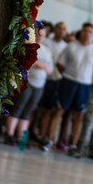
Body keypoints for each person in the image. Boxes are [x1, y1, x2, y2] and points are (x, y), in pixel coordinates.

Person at [49, 22, 93, 157]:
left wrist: (85, 78)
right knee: (59, 111)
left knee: (79, 116)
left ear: (92, 34)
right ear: (81, 32)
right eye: (85, 31)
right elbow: (60, 64)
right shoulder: (71, 46)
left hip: (84, 85)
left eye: (90, 31)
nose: (87, 33)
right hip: (68, 82)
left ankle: (73, 145)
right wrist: (69, 75)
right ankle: (50, 140)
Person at [5, 25, 53, 145]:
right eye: (38, 34)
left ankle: (21, 137)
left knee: (28, 111)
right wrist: (41, 65)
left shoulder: (47, 50)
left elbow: (50, 69)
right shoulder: (29, 46)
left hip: (40, 84)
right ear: (34, 34)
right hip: (27, 82)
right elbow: (28, 62)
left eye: (43, 34)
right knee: (18, 108)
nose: (40, 36)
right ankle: (9, 134)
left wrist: (44, 66)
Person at [38, 21, 68, 149]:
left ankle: (49, 137)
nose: (61, 31)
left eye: (64, 29)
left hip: (59, 81)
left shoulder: (67, 46)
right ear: (55, 29)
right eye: (59, 28)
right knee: (43, 109)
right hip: (46, 79)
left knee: (53, 110)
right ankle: (40, 135)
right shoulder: (47, 43)